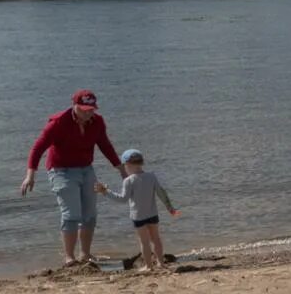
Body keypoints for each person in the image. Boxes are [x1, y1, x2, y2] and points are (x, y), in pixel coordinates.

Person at [19, 89, 122, 267]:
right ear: (74, 106)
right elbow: (38, 148)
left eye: (92, 109)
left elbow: (105, 145)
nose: (89, 112)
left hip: (86, 169)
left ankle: (86, 255)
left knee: (89, 215)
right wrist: (30, 176)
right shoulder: (58, 123)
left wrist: (121, 169)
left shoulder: (97, 122)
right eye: (84, 109)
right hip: (61, 171)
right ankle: (69, 258)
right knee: (71, 215)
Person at [97, 149, 179, 274]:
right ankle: (161, 263)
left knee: (144, 242)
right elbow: (161, 193)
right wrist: (170, 208)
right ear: (141, 163)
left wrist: (106, 192)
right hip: (153, 214)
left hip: (138, 217)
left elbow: (122, 199)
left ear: (127, 165)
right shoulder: (151, 176)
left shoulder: (129, 181)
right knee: (156, 239)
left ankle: (149, 266)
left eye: (124, 166)